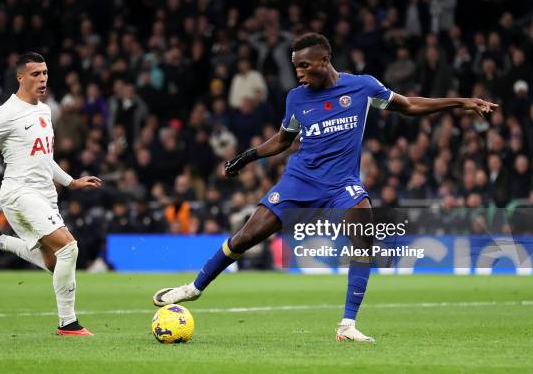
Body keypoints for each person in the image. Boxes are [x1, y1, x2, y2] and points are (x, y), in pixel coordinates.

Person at [152, 33, 497, 343]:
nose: (299, 73)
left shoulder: (362, 87)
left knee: (365, 232)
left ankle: (347, 325)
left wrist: (460, 102)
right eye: (295, 67)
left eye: (304, 66)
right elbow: (284, 140)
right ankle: (194, 288)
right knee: (245, 237)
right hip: (299, 180)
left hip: (341, 184)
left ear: (324, 61)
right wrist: (246, 157)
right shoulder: (296, 98)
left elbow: (409, 105)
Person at [0, 52, 102, 336]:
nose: (43, 79)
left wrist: (71, 182)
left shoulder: (45, 110)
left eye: (45, 73)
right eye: (35, 74)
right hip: (19, 192)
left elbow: (45, 158)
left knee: (55, 263)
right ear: (20, 77)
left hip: (45, 194)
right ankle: (68, 324)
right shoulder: (8, 112)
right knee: (69, 248)